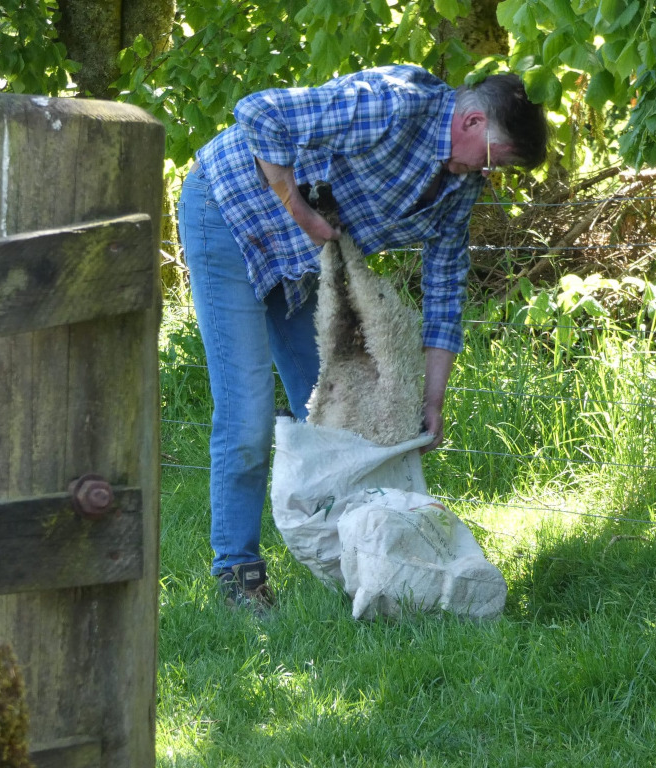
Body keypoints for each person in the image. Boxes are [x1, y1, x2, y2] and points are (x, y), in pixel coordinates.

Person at [177, 64, 547, 611]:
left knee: (342, 413)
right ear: (470, 120)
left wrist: (432, 400)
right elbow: (258, 112)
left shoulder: (458, 189)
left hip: (300, 256)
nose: (488, 174)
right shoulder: (393, 104)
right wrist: (299, 210)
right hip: (229, 210)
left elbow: (446, 295)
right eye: (493, 158)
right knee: (247, 410)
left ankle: (355, 562)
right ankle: (238, 576)